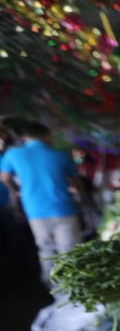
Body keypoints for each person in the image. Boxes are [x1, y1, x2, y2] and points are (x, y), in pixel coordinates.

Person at [0, 119, 83, 287]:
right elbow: (77, 184)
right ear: (46, 136)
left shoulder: (13, 154)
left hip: (35, 210)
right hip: (63, 208)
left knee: (46, 250)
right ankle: (76, 286)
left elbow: (4, 177)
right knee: (70, 250)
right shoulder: (60, 155)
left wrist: (17, 190)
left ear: (25, 137)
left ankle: (53, 288)